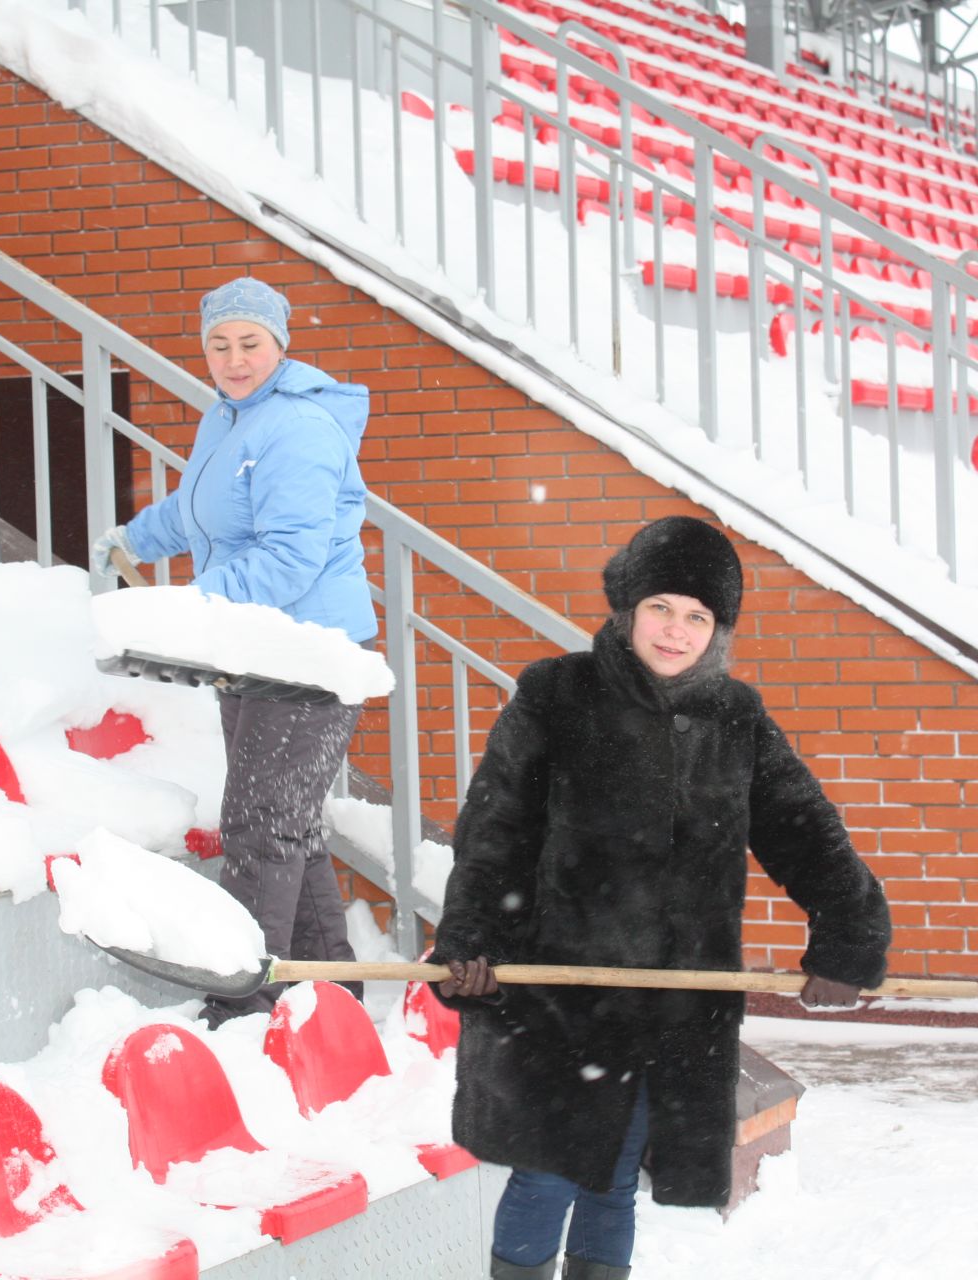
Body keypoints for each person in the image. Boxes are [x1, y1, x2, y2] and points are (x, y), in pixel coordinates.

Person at [431, 516, 893, 1280]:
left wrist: (847, 936)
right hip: (556, 997)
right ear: (627, 609)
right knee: (545, 1175)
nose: (676, 631)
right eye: (661, 608)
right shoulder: (556, 697)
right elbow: (496, 829)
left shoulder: (734, 718)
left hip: (670, 1004)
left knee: (615, 1184)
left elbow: (806, 830)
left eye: (697, 617)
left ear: (716, 630)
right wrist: (475, 942)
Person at [91, 275, 376, 1027]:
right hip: (256, 650)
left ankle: (241, 1001)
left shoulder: (300, 429)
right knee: (290, 824)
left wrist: (193, 602)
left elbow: (290, 560)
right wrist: (134, 539)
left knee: (260, 823)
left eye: (250, 343)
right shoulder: (229, 419)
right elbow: (201, 512)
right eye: (219, 344)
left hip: (310, 656)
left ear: (280, 346)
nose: (233, 358)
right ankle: (327, 993)